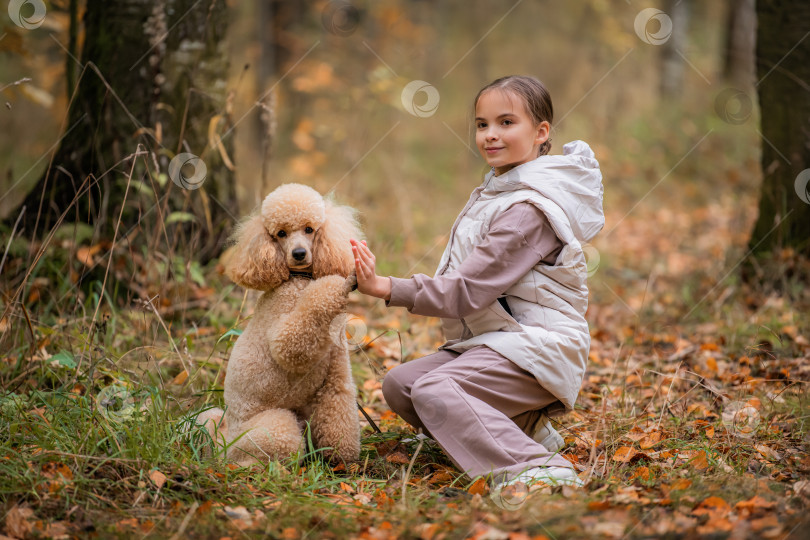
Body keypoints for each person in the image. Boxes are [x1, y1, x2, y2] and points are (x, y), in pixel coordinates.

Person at [350, 75, 604, 495]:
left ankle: (535, 468)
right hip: (502, 342)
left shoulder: (528, 210)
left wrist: (384, 287)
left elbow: (463, 292)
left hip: (540, 347)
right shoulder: (499, 191)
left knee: (435, 389)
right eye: (482, 124)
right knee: (402, 385)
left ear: (541, 133)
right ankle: (520, 430)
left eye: (506, 122)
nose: (490, 135)